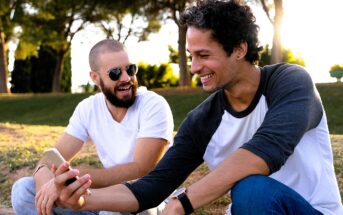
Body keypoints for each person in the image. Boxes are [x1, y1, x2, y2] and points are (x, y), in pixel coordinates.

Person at [52, 0, 343, 214]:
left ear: (239, 49)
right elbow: (152, 187)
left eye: (203, 55)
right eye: (191, 56)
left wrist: (183, 203)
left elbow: (263, 153)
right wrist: (83, 200)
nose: (194, 67)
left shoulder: (290, 82)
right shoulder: (202, 120)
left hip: (311, 210)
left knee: (251, 190)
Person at [11, 39, 174, 215]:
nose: (126, 78)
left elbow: (141, 168)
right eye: (115, 73)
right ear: (95, 78)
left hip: (142, 198)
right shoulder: (88, 108)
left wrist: (74, 179)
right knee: (23, 191)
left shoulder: (154, 105)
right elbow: (51, 157)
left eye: (130, 69)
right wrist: (47, 183)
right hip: (98, 201)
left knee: (144, 212)